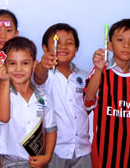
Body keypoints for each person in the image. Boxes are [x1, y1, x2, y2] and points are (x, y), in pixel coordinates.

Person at [84, 19, 130, 168]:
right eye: (120, 40)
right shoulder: (100, 73)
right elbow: (88, 100)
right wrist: (98, 69)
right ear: (109, 45)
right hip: (104, 151)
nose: (126, 45)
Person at [0, 37, 57, 168]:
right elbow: (2, 121)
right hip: (11, 163)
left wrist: (47, 156)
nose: (18, 69)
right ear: (4, 65)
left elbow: (51, 129)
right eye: (12, 63)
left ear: (34, 65)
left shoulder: (43, 96)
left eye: (25, 63)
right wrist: (4, 82)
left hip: (40, 162)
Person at [34, 23, 91, 167]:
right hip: (54, 149)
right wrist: (43, 64)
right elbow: (38, 77)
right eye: (56, 43)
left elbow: (87, 106)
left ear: (76, 49)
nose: (63, 47)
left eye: (70, 43)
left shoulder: (83, 76)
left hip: (82, 148)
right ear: (45, 49)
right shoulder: (46, 74)